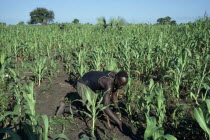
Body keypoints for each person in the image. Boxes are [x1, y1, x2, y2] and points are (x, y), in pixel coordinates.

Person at [56, 71, 130, 134]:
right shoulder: (109, 83)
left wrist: (116, 108)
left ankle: (81, 104)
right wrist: (119, 123)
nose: (122, 87)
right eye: (121, 84)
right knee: (90, 112)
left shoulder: (115, 76)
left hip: (90, 85)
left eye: (123, 85)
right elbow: (106, 107)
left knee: (97, 107)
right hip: (83, 85)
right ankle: (65, 108)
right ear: (117, 79)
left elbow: (114, 93)